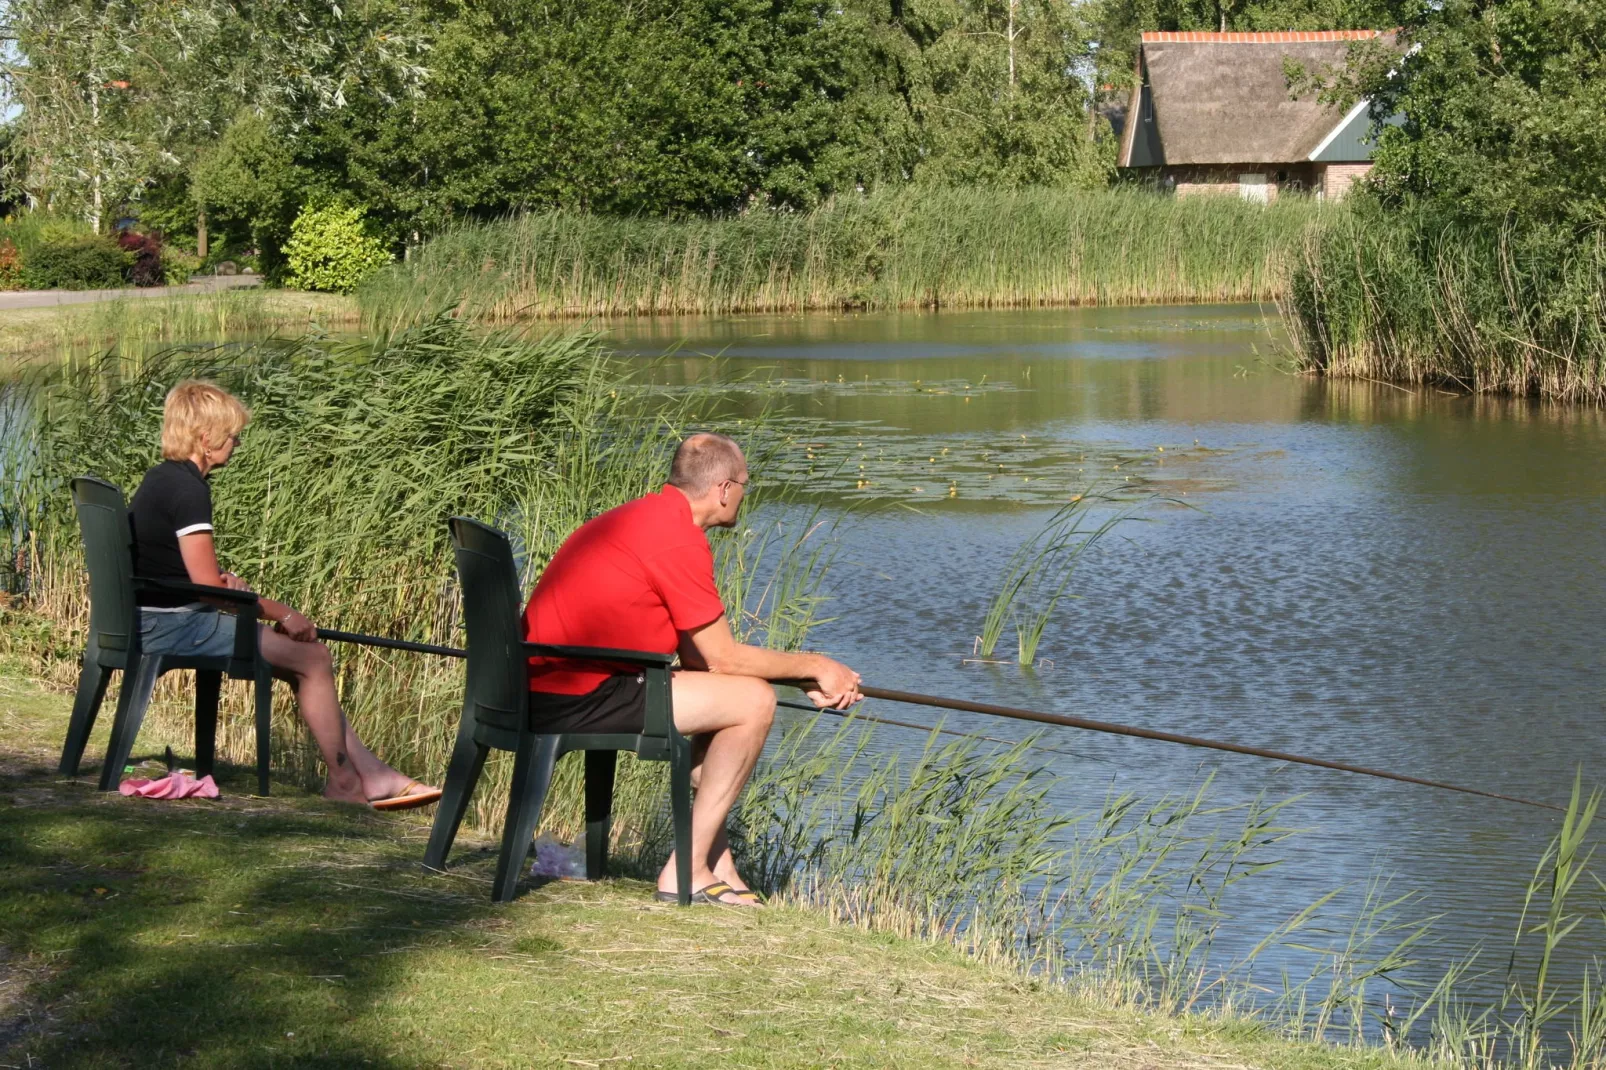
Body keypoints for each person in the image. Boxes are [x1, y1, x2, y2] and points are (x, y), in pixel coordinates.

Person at [524, 432, 863, 906]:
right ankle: (686, 870)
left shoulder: (644, 516)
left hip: (545, 681)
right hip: (581, 692)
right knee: (754, 701)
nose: (746, 493)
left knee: (735, 694)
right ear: (724, 488)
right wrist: (817, 664)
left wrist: (803, 677)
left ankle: (717, 864)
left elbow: (704, 661)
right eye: (746, 483)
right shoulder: (675, 538)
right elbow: (724, 658)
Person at [129, 380, 441, 811]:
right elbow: (207, 591)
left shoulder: (162, 478)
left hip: (160, 616)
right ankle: (345, 782)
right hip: (175, 626)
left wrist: (226, 586)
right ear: (206, 438)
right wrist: (285, 612)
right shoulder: (189, 490)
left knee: (302, 666)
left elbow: (184, 573)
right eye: (233, 435)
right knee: (314, 659)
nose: (236, 444)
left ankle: (370, 775)